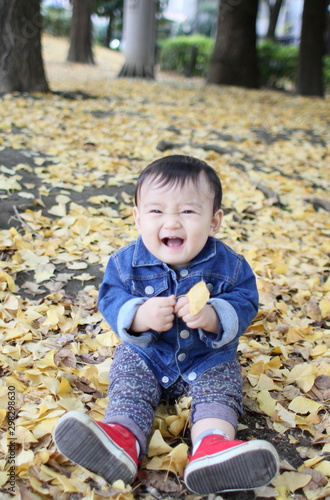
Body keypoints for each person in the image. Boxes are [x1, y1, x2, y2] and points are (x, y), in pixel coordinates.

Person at [54, 155, 279, 494]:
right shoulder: (125, 262)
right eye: (157, 211)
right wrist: (139, 315)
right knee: (128, 378)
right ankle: (122, 438)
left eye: (188, 212)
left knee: (221, 387)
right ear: (137, 217)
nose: (171, 223)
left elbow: (246, 300)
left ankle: (213, 446)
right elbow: (111, 298)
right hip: (148, 356)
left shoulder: (230, 265)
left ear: (214, 221)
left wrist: (214, 315)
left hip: (207, 359)